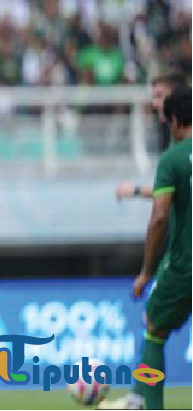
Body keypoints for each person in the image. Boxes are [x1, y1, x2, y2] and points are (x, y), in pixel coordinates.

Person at [100, 87, 191, 410]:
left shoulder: (174, 158)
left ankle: (144, 403)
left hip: (185, 267)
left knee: (154, 327)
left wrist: (146, 271)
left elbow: (160, 217)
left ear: (175, 120)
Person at [116, 73, 187, 201]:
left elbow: (176, 192)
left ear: (176, 97)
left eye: (159, 96)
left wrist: (136, 191)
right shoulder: (174, 137)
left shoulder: (184, 142)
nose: (154, 103)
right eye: (153, 97)